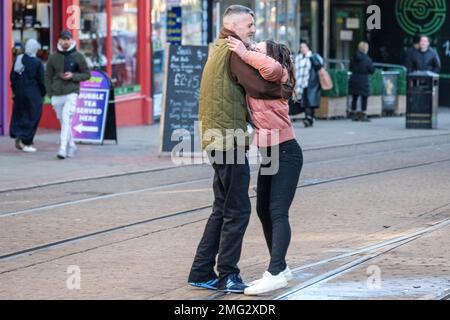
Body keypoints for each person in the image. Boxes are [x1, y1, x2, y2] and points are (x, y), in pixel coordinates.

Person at [188, 5, 284, 294]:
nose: (253, 29)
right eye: (249, 24)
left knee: (222, 206)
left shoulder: (219, 48)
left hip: (217, 138)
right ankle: (227, 274)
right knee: (237, 209)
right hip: (227, 140)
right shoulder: (234, 51)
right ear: (233, 25)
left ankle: (201, 270)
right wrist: (283, 82)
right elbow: (263, 87)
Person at [226, 37, 303, 295]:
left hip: (287, 152)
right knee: (263, 209)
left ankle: (274, 272)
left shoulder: (277, 74)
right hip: (269, 154)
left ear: (270, 55)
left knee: (278, 211)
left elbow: (270, 67)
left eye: (258, 49)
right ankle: (280, 268)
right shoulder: (259, 82)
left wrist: (242, 52)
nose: (252, 49)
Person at [45, 30, 90, 159]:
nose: (65, 42)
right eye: (63, 39)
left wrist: (73, 76)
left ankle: (62, 148)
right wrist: (49, 93)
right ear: (59, 40)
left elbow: (87, 74)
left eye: (67, 39)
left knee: (65, 117)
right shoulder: (53, 57)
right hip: (56, 93)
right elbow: (47, 76)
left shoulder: (78, 56)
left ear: (71, 40)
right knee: (63, 120)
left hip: (72, 92)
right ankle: (72, 144)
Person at [9, 39, 46, 152]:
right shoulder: (37, 63)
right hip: (33, 94)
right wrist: (43, 93)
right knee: (33, 117)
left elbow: (12, 77)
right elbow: (41, 80)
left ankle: (19, 136)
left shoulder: (19, 59)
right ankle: (27, 142)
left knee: (20, 115)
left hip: (19, 93)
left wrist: (15, 90)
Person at [295, 40, 323, 128]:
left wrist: (312, 58)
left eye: (304, 47)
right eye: (301, 47)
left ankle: (309, 118)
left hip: (312, 83)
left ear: (308, 47)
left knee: (310, 102)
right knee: (306, 102)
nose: (302, 49)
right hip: (301, 83)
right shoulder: (298, 58)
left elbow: (320, 65)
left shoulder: (313, 56)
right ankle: (309, 118)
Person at [348, 42, 375, 122]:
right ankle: (363, 114)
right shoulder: (367, 59)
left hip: (354, 78)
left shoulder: (354, 57)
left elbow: (350, 67)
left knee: (354, 97)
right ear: (366, 49)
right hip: (363, 80)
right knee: (364, 97)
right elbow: (372, 70)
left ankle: (353, 113)